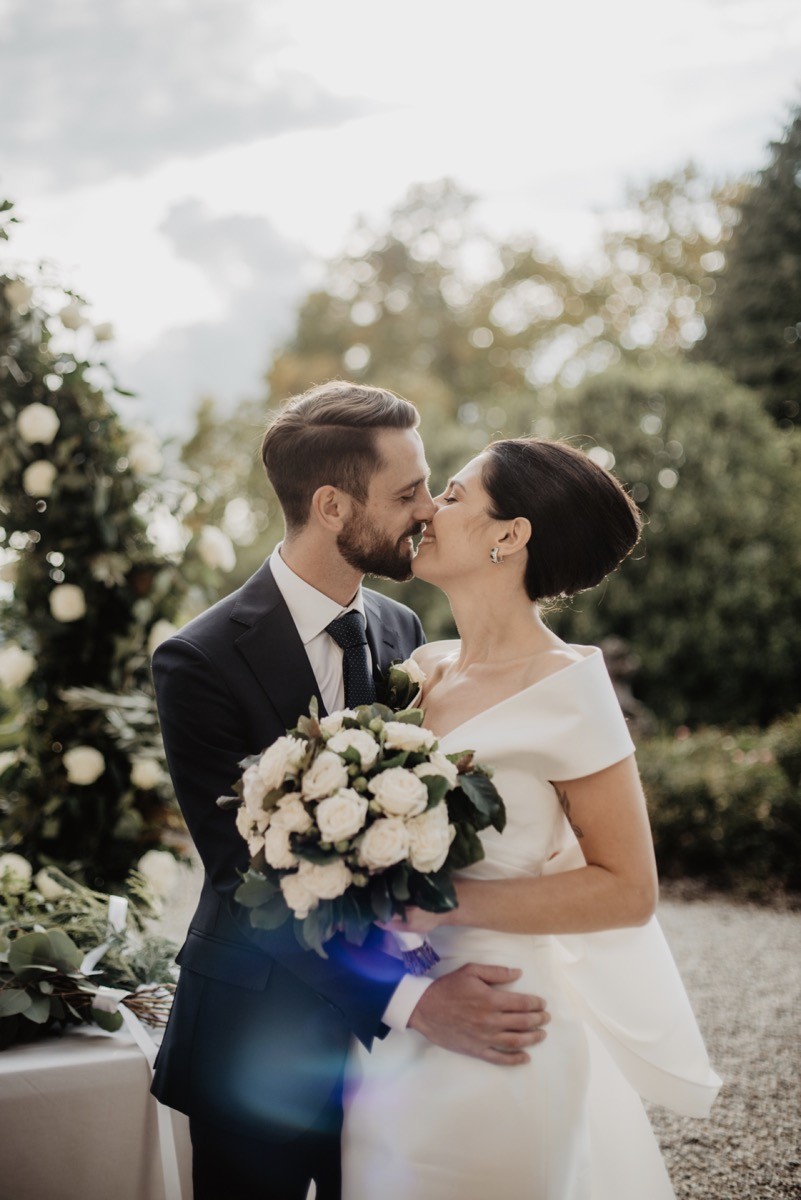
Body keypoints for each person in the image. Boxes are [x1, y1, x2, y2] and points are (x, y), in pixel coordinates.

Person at [150, 383, 550, 1200]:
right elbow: (247, 876)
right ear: (332, 506)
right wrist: (412, 1001)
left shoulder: (403, 633)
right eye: (406, 493)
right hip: (252, 1043)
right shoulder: (197, 662)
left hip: (395, 1067)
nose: (427, 512)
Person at [342, 438, 721, 1200]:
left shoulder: (568, 687)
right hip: (394, 1023)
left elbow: (627, 890)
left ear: (508, 535)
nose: (426, 510)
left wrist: (447, 901)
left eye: (450, 496)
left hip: (504, 1020)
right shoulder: (419, 672)